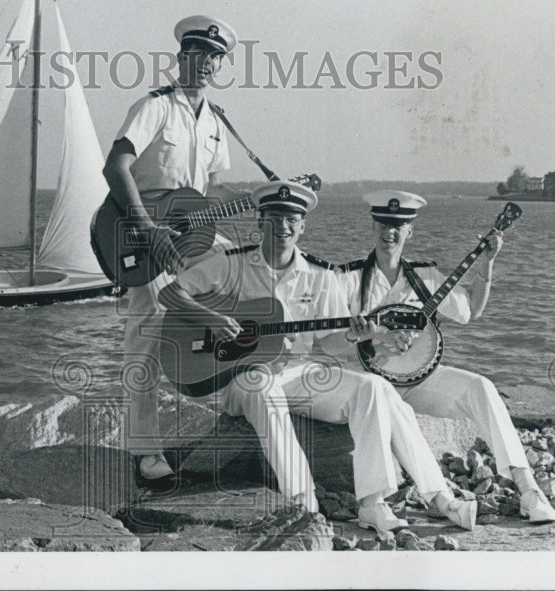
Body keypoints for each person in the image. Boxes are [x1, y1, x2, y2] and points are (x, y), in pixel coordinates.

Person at [157, 181, 477, 532]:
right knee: (263, 387)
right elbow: (171, 293)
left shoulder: (318, 276)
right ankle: (303, 504)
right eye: (275, 218)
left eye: (292, 219)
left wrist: (357, 333)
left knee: (371, 386)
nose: (283, 227)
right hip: (242, 376)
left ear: (303, 225)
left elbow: (333, 346)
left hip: (298, 371)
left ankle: (375, 502)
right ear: (260, 221)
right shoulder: (229, 264)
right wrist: (214, 320)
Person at [335, 190, 555, 524]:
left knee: (480, 385)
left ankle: (528, 489)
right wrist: (368, 336)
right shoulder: (348, 279)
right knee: (390, 403)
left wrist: (487, 264)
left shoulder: (424, 277)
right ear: (373, 226)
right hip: (375, 385)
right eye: (383, 223)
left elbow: (470, 310)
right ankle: (442, 500)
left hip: (420, 380)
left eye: (399, 225)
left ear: (410, 231)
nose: (389, 231)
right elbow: (328, 342)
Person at [101, 15, 246, 483]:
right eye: (198, 53)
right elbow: (115, 168)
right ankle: (146, 453)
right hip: (140, 235)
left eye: (215, 57)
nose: (206, 63)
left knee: (248, 281)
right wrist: (148, 229)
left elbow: (213, 192)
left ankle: (243, 412)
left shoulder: (217, 123)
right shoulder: (155, 106)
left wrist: (264, 198)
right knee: (144, 336)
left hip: (191, 234)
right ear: (182, 57)